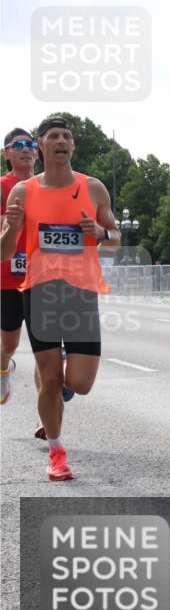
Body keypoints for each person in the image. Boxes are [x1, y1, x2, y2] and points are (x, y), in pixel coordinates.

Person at [1, 116, 120, 481]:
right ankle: (57, 453)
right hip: (40, 292)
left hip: (82, 293)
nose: (61, 141)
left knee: (80, 383)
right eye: (53, 136)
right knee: (50, 380)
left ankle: (60, 374)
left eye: (67, 136)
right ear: (42, 145)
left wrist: (100, 232)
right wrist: (13, 227)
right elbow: (4, 252)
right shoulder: (23, 192)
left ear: (72, 146)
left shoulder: (93, 188)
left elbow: (115, 239)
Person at [1, 128, 37, 405]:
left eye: (30, 144)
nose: (26, 149)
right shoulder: (3, 186)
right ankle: (4, 369)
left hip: (43, 278)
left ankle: (47, 412)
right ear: (7, 153)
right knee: (9, 344)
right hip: (8, 278)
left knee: (47, 351)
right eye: (18, 145)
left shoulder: (48, 185)